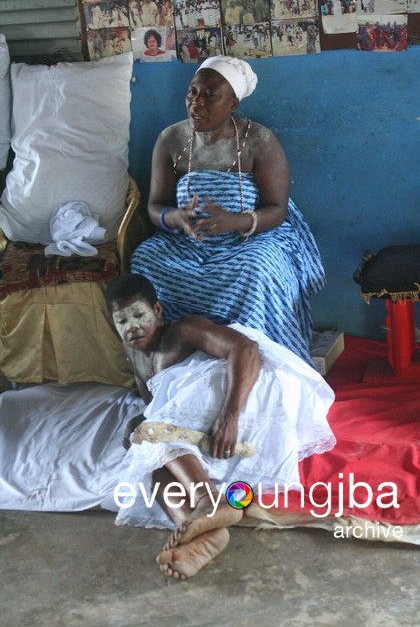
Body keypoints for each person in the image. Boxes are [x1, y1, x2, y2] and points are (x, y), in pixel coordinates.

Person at [106, 275, 336, 580]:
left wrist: (231, 415)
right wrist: (137, 427)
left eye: (139, 315)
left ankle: (208, 500)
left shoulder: (181, 332)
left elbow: (245, 349)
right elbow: (156, 408)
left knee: (158, 433)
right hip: (197, 410)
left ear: (158, 311)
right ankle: (200, 535)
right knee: (152, 459)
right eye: (121, 320)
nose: (131, 326)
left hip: (244, 385)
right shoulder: (134, 356)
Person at [130, 56, 326, 365]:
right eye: (193, 92)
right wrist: (175, 218)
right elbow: (155, 206)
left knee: (260, 268)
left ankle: (255, 357)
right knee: (145, 259)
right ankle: (172, 355)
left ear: (233, 104)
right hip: (187, 243)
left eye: (210, 95)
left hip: (247, 240)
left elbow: (278, 209)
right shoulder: (171, 140)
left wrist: (234, 221)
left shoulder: (258, 140)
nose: (197, 102)